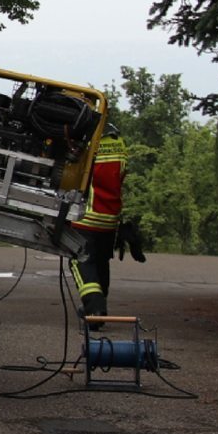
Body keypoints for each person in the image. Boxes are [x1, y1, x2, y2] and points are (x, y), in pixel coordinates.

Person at [70, 123, 127, 316]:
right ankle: (99, 303)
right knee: (101, 262)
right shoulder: (120, 145)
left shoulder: (88, 144)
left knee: (80, 260)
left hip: (86, 217)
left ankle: (94, 307)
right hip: (110, 218)